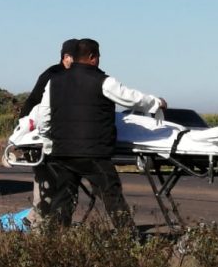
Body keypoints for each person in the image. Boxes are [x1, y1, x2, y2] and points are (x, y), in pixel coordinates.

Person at [38, 39, 165, 231]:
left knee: (63, 198)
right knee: (111, 196)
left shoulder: (54, 82)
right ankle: (127, 236)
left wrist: (49, 142)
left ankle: (55, 240)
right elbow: (131, 98)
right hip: (93, 153)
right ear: (92, 57)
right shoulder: (103, 81)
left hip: (62, 152)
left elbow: (44, 117)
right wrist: (157, 102)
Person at [20, 39, 79, 211]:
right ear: (66, 57)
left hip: (57, 132)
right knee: (45, 179)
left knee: (59, 180)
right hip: (39, 130)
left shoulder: (71, 75)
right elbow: (42, 109)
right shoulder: (54, 75)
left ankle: (51, 218)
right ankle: (40, 218)